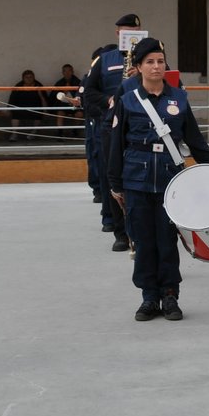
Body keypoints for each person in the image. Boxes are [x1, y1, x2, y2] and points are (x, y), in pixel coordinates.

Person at [105, 37, 209, 321]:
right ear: (139, 67)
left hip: (171, 182)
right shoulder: (128, 99)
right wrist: (115, 183)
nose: (157, 67)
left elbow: (195, 140)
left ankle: (170, 295)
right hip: (136, 180)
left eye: (160, 61)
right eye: (150, 62)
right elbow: (115, 143)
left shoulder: (178, 98)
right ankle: (148, 297)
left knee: (167, 241)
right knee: (143, 241)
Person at [82, 13, 145, 252]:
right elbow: (89, 92)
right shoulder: (104, 60)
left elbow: (168, 84)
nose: (127, 34)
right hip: (112, 127)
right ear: (117, 33)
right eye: (123, 31)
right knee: (114, 177)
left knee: (142, 176)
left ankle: (143, 230)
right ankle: (120, 232)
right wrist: (108, 99)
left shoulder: (151, 58)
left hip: (141, 127)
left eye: (132, 30)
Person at [7, 69, 49, 139]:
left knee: (39, 114)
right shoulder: (19, 86)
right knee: (15, 114)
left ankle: (33, 133)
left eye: (31, 77)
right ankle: (14, 134)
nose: (29, 79)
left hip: (35, 108)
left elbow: (44, 100)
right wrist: (8, 109)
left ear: (34, 78)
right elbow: (12, 99)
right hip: (21, 108)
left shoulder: (38, 85)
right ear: (23, 78)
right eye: (27, 77)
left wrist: (45, 110)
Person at [54, 63, 82, 134]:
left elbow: (81, 95)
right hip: (63, 105)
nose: (67, 73)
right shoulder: (59, 83)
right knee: (60, 113)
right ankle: (60, 133)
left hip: (75, 104)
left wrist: (74, 101)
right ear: (62, 73)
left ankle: (74, 131)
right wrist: (64, 92)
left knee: (79, 114)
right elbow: (54, 97)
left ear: (72, 72)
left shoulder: (78, 82)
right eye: (65, 71)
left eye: (69, 71)